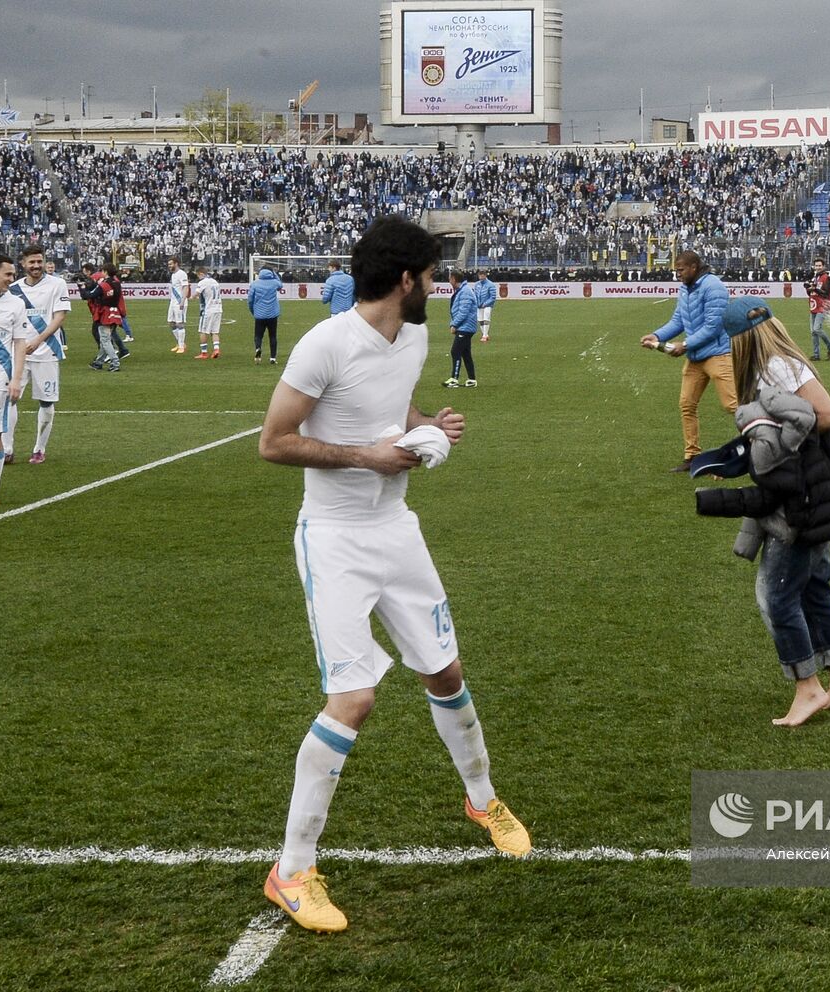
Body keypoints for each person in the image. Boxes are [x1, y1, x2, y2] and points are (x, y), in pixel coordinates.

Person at [257, 215, 530, 934]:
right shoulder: (324, 344)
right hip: (337, 539)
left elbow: (393, 411)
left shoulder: (412, 337)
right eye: (433, 276)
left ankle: (482, 799)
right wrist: (367, 456)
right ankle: (291, 872)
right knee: (354, 699)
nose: (439, 288)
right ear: (405, 280)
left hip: (397, 531)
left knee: (445, 672)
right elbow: (274, 443)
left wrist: (428, 428)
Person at [693, 296, 830, 727]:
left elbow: (826, 415)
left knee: (776, 595)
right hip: (810, 493)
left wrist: (774, 448)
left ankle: (808, 688)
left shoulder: (775, 368)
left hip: (798, 500)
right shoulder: (781, 360)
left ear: (740, 340)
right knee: (814, 588)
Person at [639, 249, 735, 472]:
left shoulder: (714, 287)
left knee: (733, 405)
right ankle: (692, 456)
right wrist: (657, 335)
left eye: (680, 270)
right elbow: (678, 320)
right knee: (687, 405)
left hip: (719, 354)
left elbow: (714, 327)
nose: (678, 274)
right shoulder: (685, 288)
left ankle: (765, 447)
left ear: (693, 267)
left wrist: (686, 344)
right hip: (695, 358)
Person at [5, 247, 71, 465]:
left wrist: (38, 340)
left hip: (47, 351)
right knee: (9, 398)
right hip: (18, 354)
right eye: (31, 262)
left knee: (46, 401)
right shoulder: (13, 289)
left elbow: (59, 316)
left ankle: (39, 448)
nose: (36, 266)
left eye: (39, 261)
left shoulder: (57, 284)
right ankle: (7, 448)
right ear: (22, 264)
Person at [0, 254, 33, 506]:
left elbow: (19, 344)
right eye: (7, 274)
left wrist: (16, 379)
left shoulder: (15, 304)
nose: (12, 278)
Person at [444, 269, 477, 388]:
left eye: (449, 278)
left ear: (453, 279)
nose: (449, 280)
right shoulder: (462, 290)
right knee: (465, 353)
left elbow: (463, 311)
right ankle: (472, 380)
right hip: (466, 326)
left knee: (455, 351)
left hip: (465, 327)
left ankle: (454, 379)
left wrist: (454, 324)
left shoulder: (465, 291)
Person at [248, 266, 284, 364]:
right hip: (272, 314)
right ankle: (273, 358)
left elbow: (250, 299)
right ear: (271, 273)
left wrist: (253, 311)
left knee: (258, 335)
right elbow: (281, 286)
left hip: (259, 314)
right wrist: (275, 274)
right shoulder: (274, 283)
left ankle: (258, 349)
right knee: (272, 336)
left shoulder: (255, 284)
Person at [804, 257, 830, 361]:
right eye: (816, 265)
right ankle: (816, 354)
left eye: (819, 265)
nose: (817, 267)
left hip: (823, 306)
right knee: (813, 331)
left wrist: (815, 289)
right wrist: (808, 288)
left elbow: (826, 293)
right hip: (814, 305)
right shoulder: (815, 277)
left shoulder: (825, 277)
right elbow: (810, 292)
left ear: (823, 266)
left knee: (817, 329)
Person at [194, 265, 223, 359]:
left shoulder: (203, 282)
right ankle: (216, 349)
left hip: (208, 310)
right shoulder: (215, 282)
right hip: (218, 308)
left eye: (198, 275)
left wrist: (189, 297)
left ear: (201, 274)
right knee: (215, 331)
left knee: (203, 331)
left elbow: (197, 294)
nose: (198, 278)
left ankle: (204, 353)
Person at [167, 257, 191, 353]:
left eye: (171, 264)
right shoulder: (173, 275)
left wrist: (182, 301)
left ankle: (181, 346)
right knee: (171, 322)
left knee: (179, 323)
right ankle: (180, 343)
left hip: (179, 302)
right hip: (173, 302)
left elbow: (186, 287)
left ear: (176, 264)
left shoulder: (182, 274)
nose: (169, 266)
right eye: (169, 264)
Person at [474, 267, 496, 342]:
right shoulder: (476, 284)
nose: (481, 276)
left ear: (485, 275)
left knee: (486, 318)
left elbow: (493, 297)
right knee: (480, 320)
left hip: (487, 305)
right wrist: (477, 303)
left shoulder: (491, 284)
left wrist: (486, 303)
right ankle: (485, 334)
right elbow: (475, 295)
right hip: (479, 305)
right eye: (480, 275)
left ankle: (484, 336)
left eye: (483, 274)